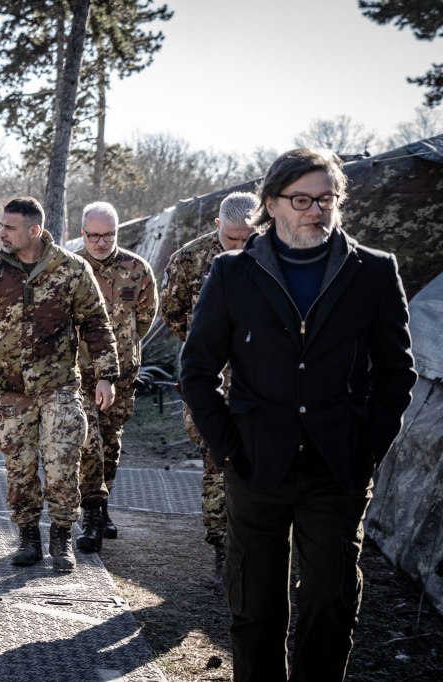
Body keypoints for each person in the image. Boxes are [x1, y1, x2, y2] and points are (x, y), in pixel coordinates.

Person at [180, 148, 416, 681]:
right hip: (257, 463)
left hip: (338, 468)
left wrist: (367, 448)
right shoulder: (233, 272)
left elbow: (397, 373)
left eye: (326, 199)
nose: (316, 210)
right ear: (271, 204)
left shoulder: (374, 272)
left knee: (329, 606)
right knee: (255, 604)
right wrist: (229, 448)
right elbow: (197, 370)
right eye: (302, 199)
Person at [0, 196, 119, 572]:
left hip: (59, 386)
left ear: (34, 230)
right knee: (20, 468)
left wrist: (107, 376)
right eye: (2, 225)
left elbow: (97, 324)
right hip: (11, 391)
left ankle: (61, 538)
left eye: (9, 227)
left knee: (63, 463)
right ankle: (28, 536)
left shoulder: (72, 269)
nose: (2, 233)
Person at [159, 191, 258, 588]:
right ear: (216, 226)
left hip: (260, 379)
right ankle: (223, 551)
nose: (238, 246)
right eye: (231, 238)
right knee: (218, 460)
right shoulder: (189, 259)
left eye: (246, 237)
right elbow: (172, 310)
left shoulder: (275, 255)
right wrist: (206, 345)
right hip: (211, 379)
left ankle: (254, 548)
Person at [73, 202, 157, 550]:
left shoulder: (136, 269)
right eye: (94, 235)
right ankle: (91, 513)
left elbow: (145, 317)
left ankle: (102, 506)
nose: (101, 242)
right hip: (79, 372)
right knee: (88, 441)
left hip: (121, 373)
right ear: (83, 234)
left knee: (110, 441)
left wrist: (124, 349)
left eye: (108, 235)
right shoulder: (71, 269)